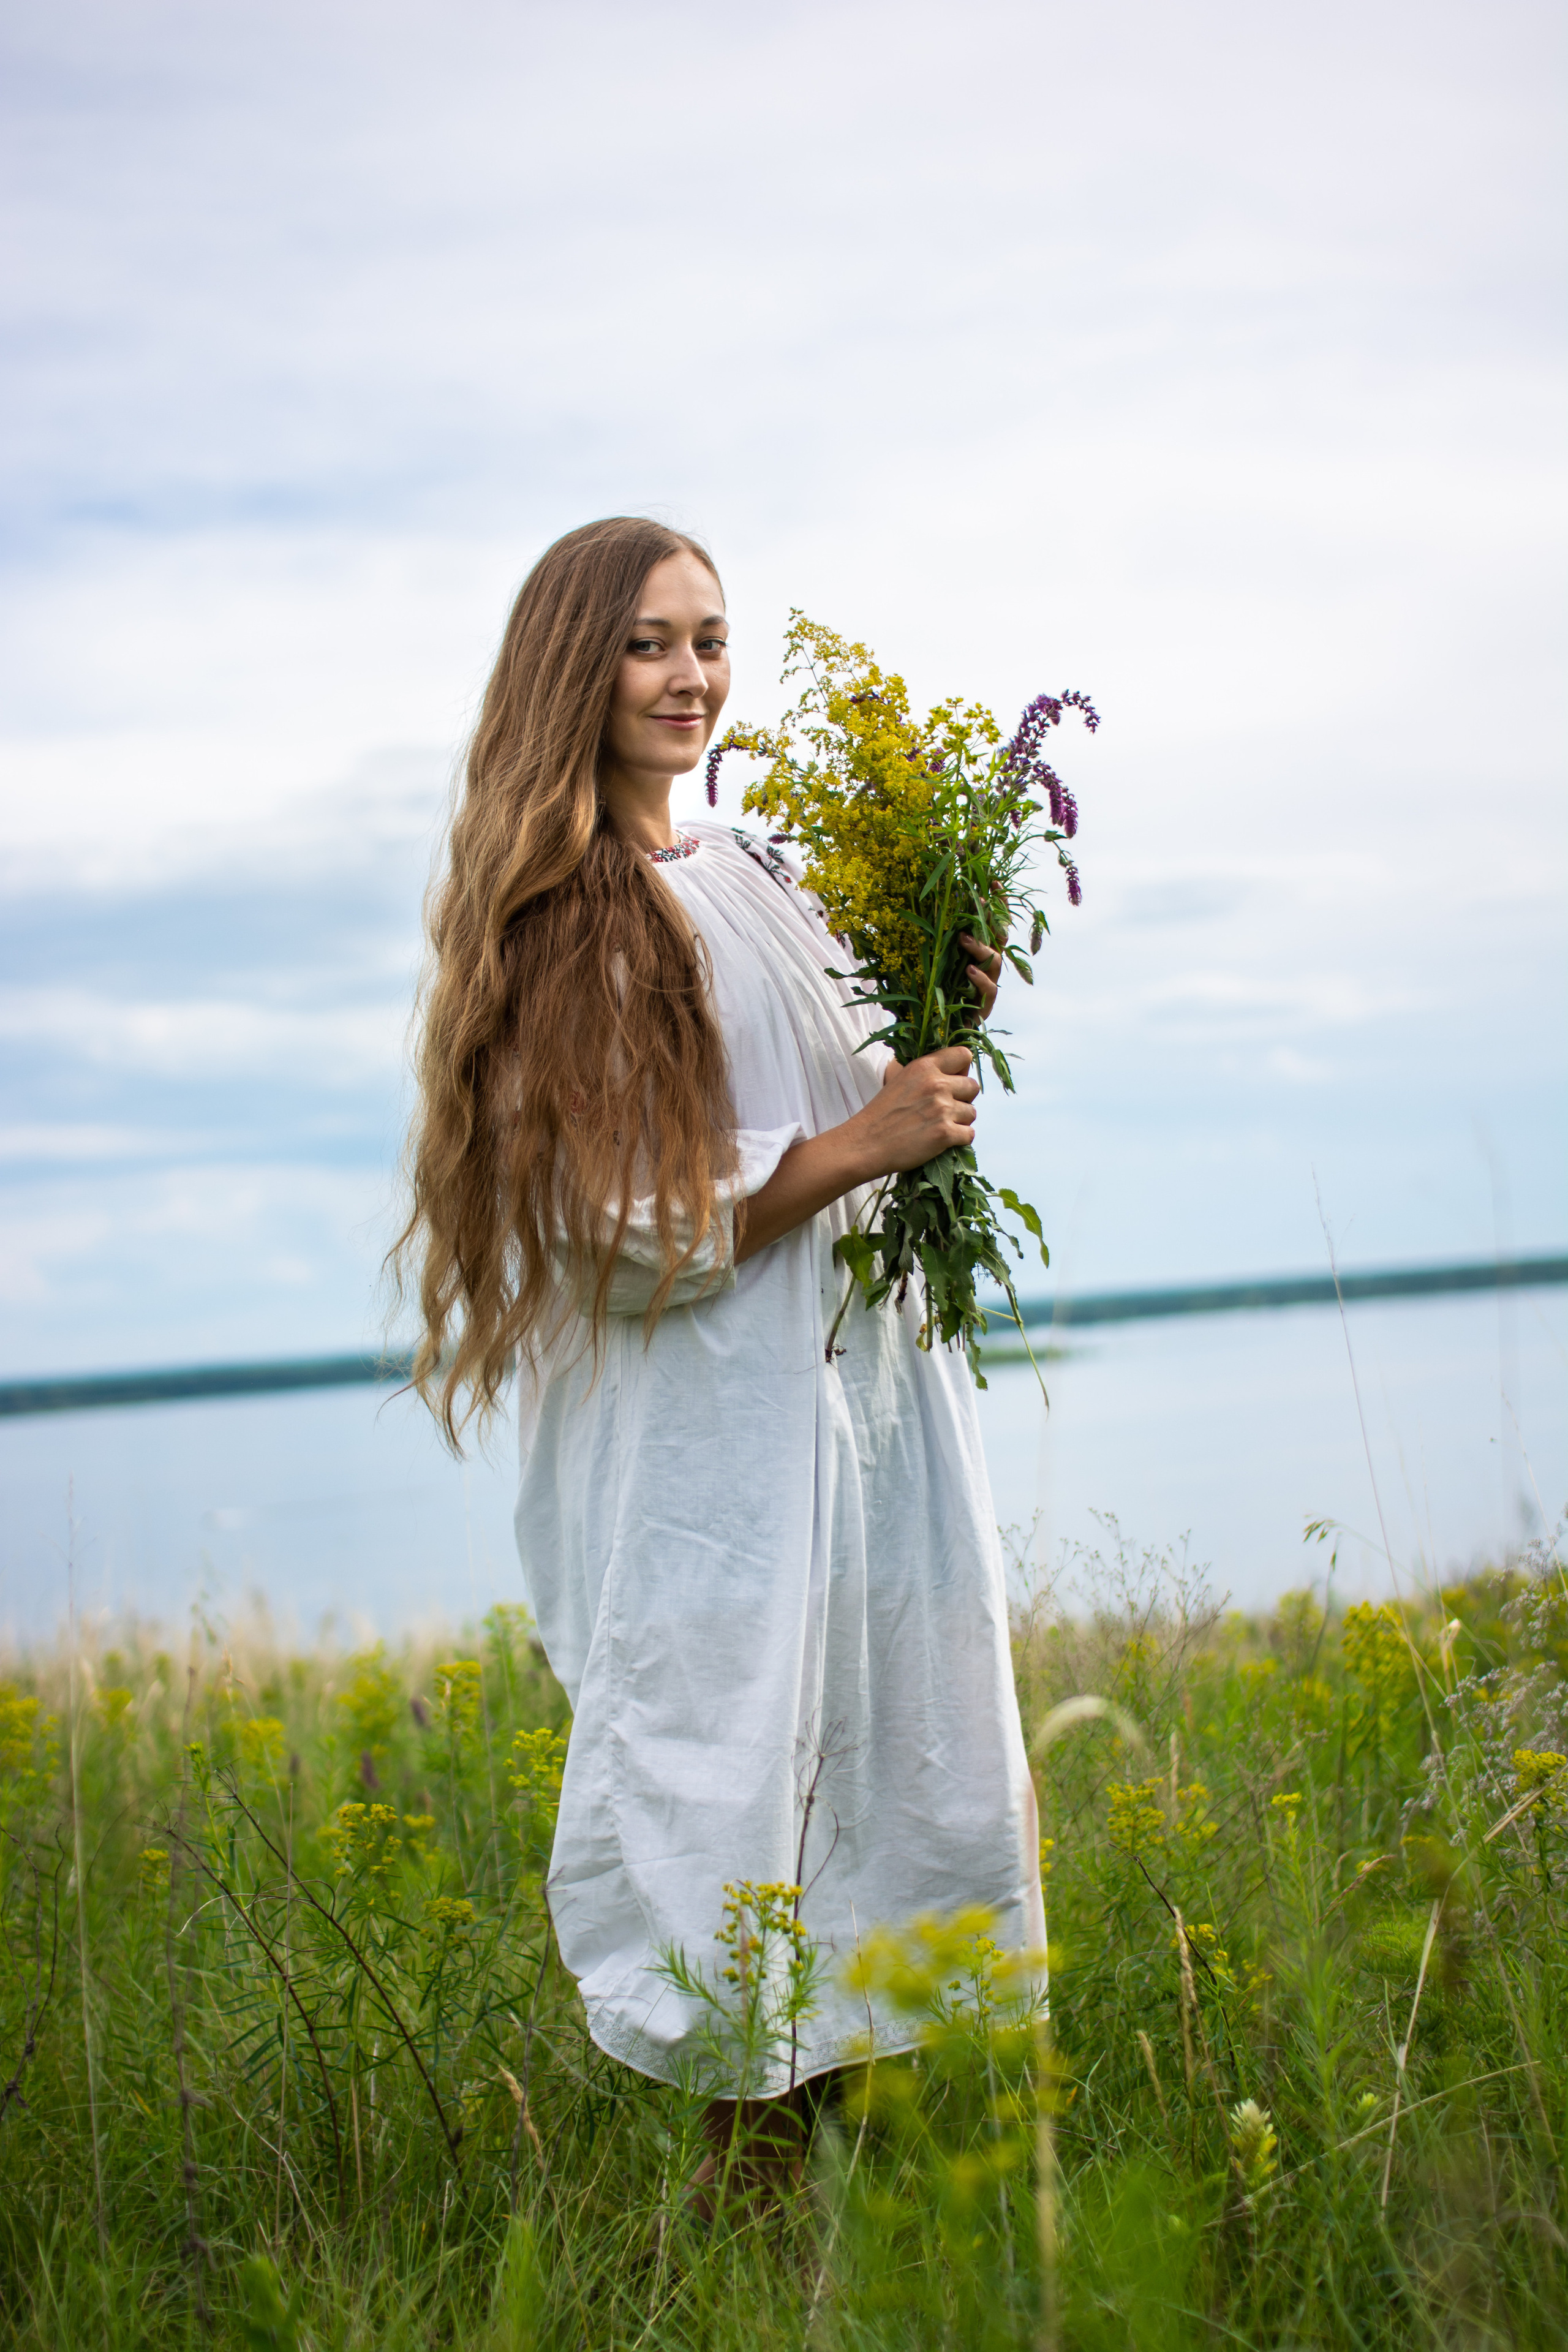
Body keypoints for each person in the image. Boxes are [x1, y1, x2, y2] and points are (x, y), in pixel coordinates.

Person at [398, 516, 1044, 2196]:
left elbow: (853, 1080)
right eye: (648, 644)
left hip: (847, 1417)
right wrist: (858, 1140)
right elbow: (619, 1230)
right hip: (711, 1445)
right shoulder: (573, 922)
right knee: (738, 1792)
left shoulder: (751, 872)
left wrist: (927, 992)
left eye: (709, 638)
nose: (692, 677)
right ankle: (742, 2233)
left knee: (874, 1776)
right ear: (574, 671)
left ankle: (855, 2206)